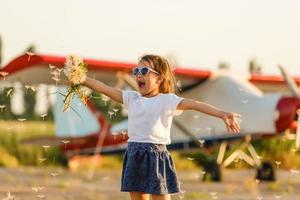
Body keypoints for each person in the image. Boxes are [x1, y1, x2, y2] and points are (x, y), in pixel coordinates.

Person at [83, 54, 241, 200]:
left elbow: (194, 104)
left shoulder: (167, 100)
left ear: (159, 79)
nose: (139, 74)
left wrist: (222, 114)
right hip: (134, 153)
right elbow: (103, 88)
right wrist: (81, 79)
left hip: (156, 155)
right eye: (136, 70)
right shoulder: (131, 98)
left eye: (144, 70)